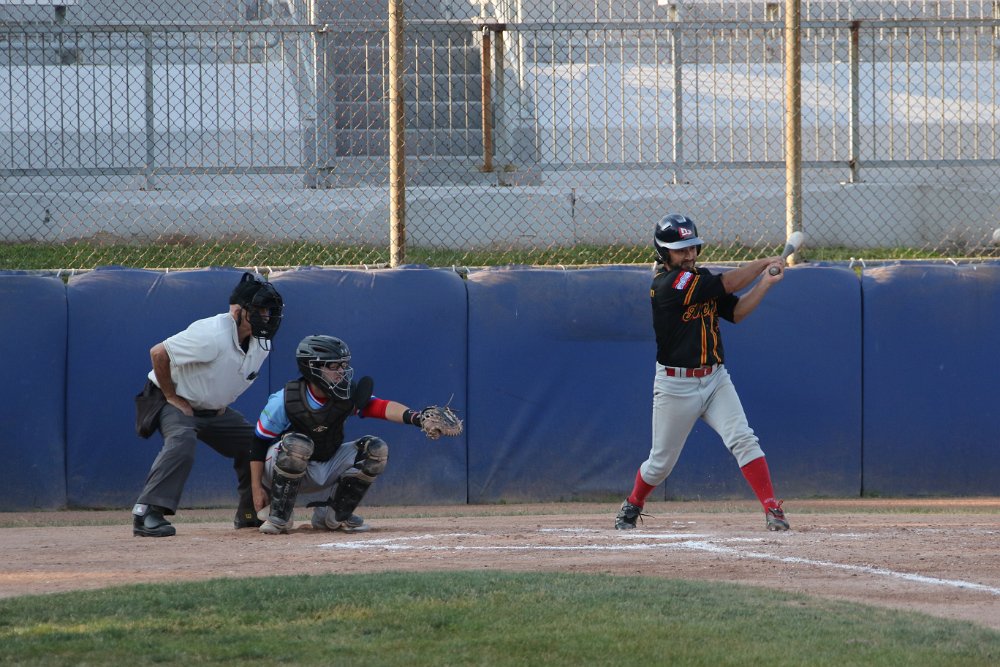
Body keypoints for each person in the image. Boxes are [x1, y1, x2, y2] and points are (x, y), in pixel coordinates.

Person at [615, 214, 791, 532]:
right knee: (660, 464)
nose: (689, 255)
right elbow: (728, 283)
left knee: (743, 438)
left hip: (714, 379)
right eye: (681, 250)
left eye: (692, 248)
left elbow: (736, 312)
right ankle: (633, 503)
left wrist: (765, 282)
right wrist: (764, 262)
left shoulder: (700, 279)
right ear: (664, 253)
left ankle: (772, 508)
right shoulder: (667, 285)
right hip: (675, 385)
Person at [250, 334, 462, 535]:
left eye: (343, 365)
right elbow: (258, 442)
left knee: (376, 449)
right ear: (312, 367)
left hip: (325, 462)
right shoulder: (285, 399)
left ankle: (333, 515)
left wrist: (416, 418)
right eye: (334, 366)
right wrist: (257, 487)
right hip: (284, 466)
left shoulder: (346, 393)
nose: (341, 371)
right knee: (298, 444)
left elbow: (381, 407)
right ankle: (279, 514)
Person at [131, 271, 284, 537]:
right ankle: (146, 513)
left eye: (268, 311)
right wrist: (172, 396)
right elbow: (158, 352)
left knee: (257, 443)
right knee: (182, 440)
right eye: (258, 310)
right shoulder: (212, 333)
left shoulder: (262, 344)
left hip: (211, 409)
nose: (266, 316)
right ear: (237, 311)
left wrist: (218, 401)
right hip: (171, 397)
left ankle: (250, 513)